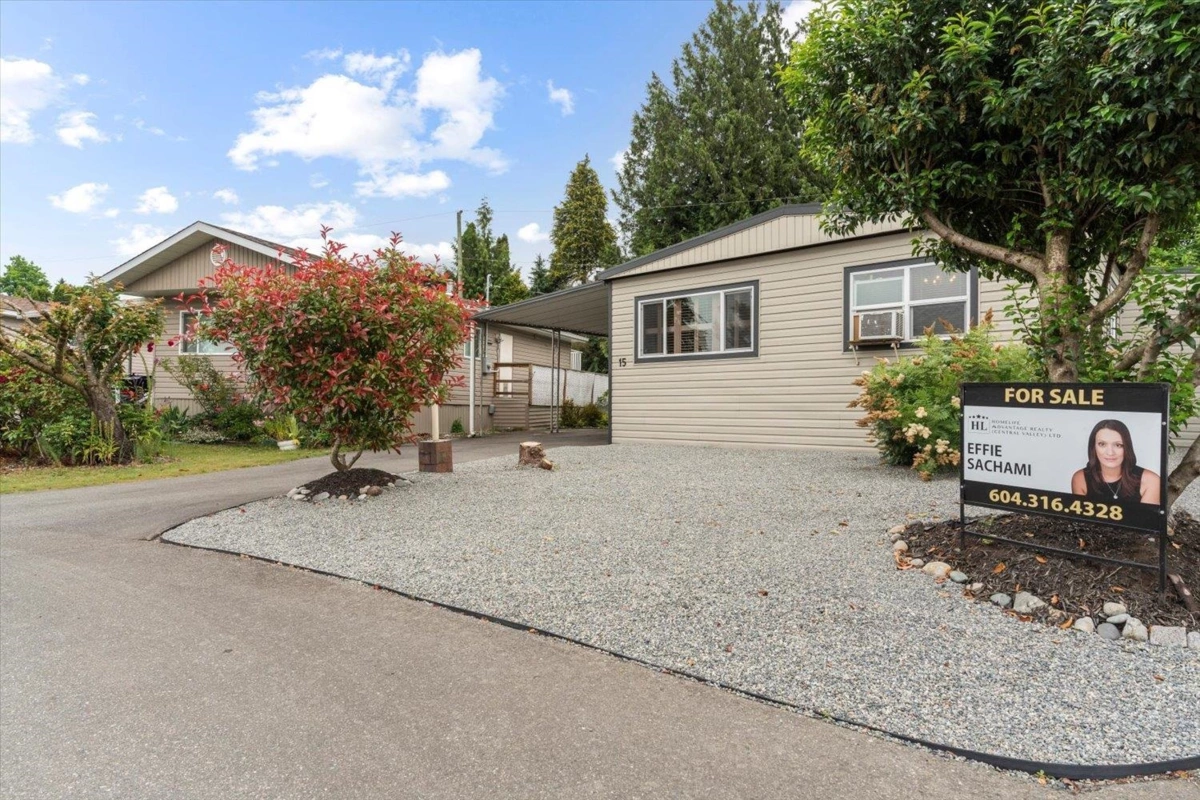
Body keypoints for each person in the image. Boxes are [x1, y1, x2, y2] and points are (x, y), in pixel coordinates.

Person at [1071, 419, 1160, 505]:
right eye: (1102, 444)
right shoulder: (1080, 478)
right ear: (1093, 447)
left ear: (1127, 448)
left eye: (1118, 445)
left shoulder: (1151, 481)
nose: (1110, 452)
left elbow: (1146, 519)